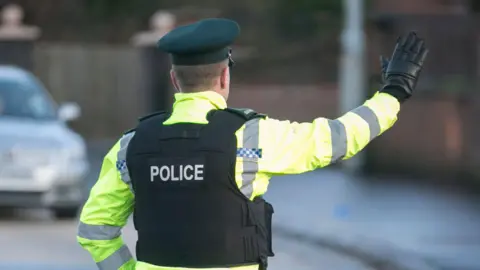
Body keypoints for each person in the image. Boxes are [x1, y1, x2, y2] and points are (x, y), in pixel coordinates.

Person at [77, 18, 428, 270]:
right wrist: (393, 92)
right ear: (225, 76)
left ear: (174, 79)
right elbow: (337, 139)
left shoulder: (131, 145)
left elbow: (95, 229)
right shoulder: (250, 136)